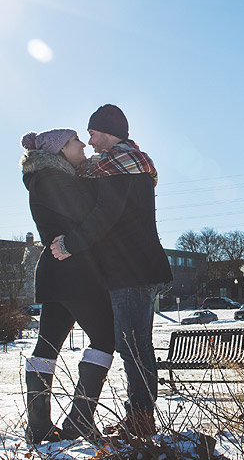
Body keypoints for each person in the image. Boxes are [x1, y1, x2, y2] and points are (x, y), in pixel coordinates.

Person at [51, 104, 172, 439]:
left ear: (107, 131)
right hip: (131, 269)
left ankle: (140, 423)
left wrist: (70, 244)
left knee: (133, 347)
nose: (89, 142)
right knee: (134, 346)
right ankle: (139, 420)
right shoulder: (120, 164)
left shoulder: (120, 166)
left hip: (132, 270)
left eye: (91, 133)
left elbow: (107, 215)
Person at [19, 128, 115, 442]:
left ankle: (40, 426)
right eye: (75, 141)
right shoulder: (49, 179)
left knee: (47, 345)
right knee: (105, 336)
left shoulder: (49, 177)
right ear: (60, 150)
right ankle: (79, 419)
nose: (83, 145)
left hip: (59, 270)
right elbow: (85, 211)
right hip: (73, 270)